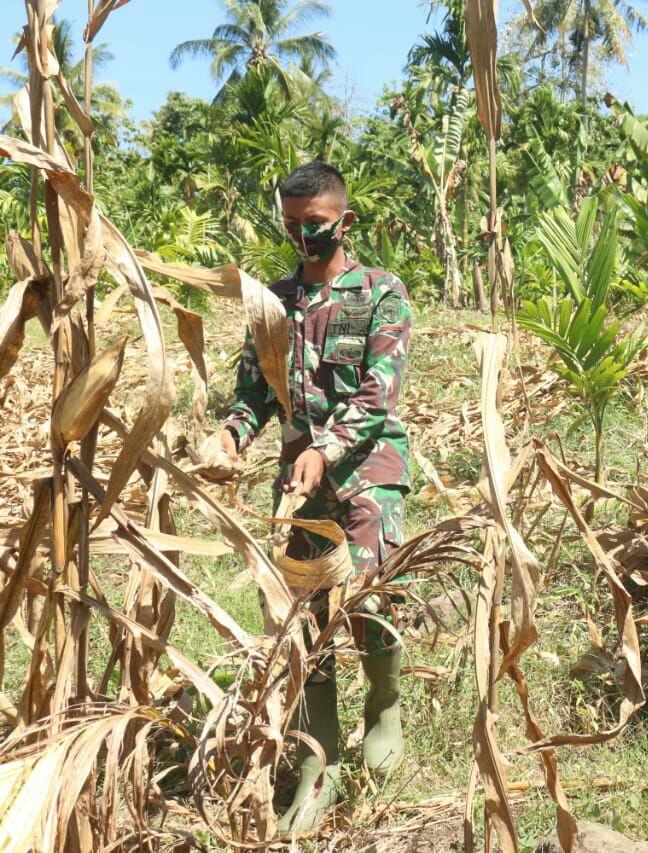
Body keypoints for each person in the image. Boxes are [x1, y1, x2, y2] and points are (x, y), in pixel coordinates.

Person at [212, 161, 413, 834]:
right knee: (304, 623)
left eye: (316, 226)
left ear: (344, 222)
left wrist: (324, 450)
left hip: (366, 470)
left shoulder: (379, 293)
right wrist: (230, 439)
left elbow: (377, 397)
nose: (303, 238)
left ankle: (384, 701)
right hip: (300, 487)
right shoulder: (271, 305)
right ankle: (317, 767)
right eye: (292, 226)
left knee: (364, 598)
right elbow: (254, 395)